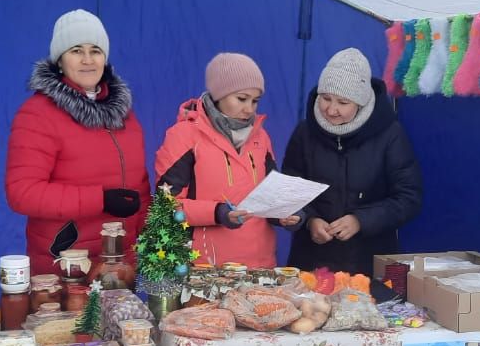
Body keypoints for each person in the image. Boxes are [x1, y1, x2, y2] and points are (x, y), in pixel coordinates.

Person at [5, 10, 150, 273]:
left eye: (95, 50)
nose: (87, 60)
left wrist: (145, 233)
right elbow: (22, 192)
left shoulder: (124, 115)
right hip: (67, 263)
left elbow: (139, 185)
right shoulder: (38, 113)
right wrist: (100, 200)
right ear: (60, 60)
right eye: (76, 50)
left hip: (118, 260)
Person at [282, 47, 422, 275]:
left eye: (343, 102)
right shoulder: (304, 132)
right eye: (325, 98)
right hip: (310, 260)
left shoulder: (390, 134)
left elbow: (409, 198)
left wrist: (361, 220)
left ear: (361, 102)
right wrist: (310, 220)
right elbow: (289, 189)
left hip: (369, 262)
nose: (331, 109)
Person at [155, 53, 299, 269]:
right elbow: (164, 207)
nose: (249, 109)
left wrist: (287, 214)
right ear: (219, 94)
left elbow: (270, 196)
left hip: (260, 268)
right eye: (241, 99)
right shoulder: (184, 136)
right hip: (205, 271)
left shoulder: (261, 137)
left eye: (255, 101)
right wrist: (217, 213)